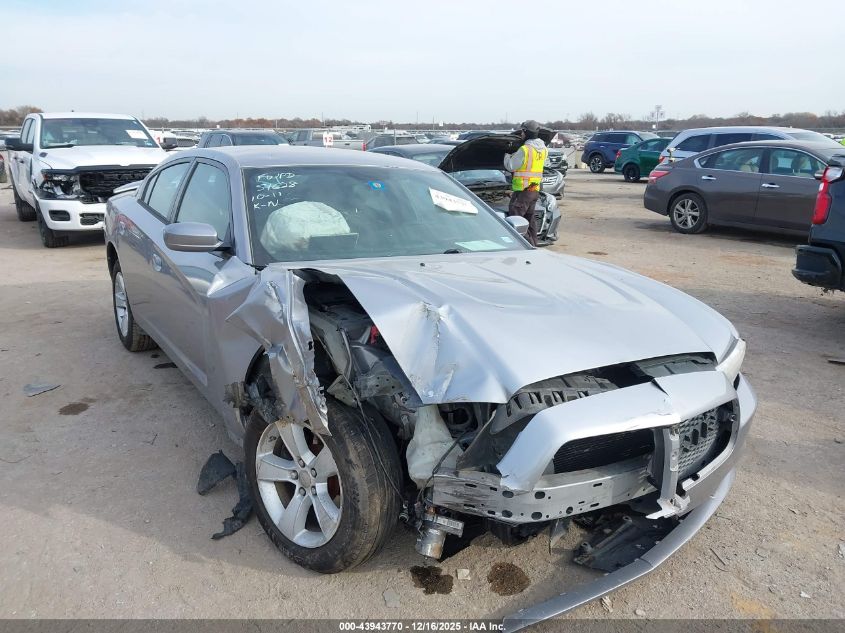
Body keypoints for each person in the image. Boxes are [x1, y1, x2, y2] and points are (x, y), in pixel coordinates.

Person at [503, 120, 547, 246]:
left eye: (522, 131)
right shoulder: (543, 149)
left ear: (526, 132)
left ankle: (525, 245)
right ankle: (534, 244)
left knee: (516, 219)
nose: (521, 133)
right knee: (529, 218)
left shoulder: (525, 149)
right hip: (534, 189)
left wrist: (506, 155)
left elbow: (511, 166)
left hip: (523, 190)